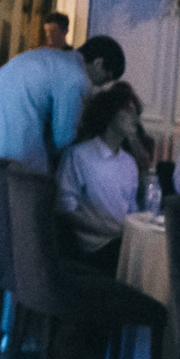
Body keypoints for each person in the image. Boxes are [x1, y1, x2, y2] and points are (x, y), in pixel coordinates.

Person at [0, 35, 126, 349]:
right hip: (16, 149)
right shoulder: (77, 78)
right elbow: (64, 137)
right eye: (105, 79)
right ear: (98, 63)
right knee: (17, 243)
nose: (99, 87)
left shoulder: (46, 56)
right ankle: (10, 333)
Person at [55, 82, 147, 274]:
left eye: (136, 113)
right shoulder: (79, 156)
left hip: (123, 243)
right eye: (128, 111)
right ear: (111, 114)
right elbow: (65, 211)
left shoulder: (129, 162)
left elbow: (131, 210)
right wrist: (111, 231)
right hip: (94, 249)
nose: (135, 118)